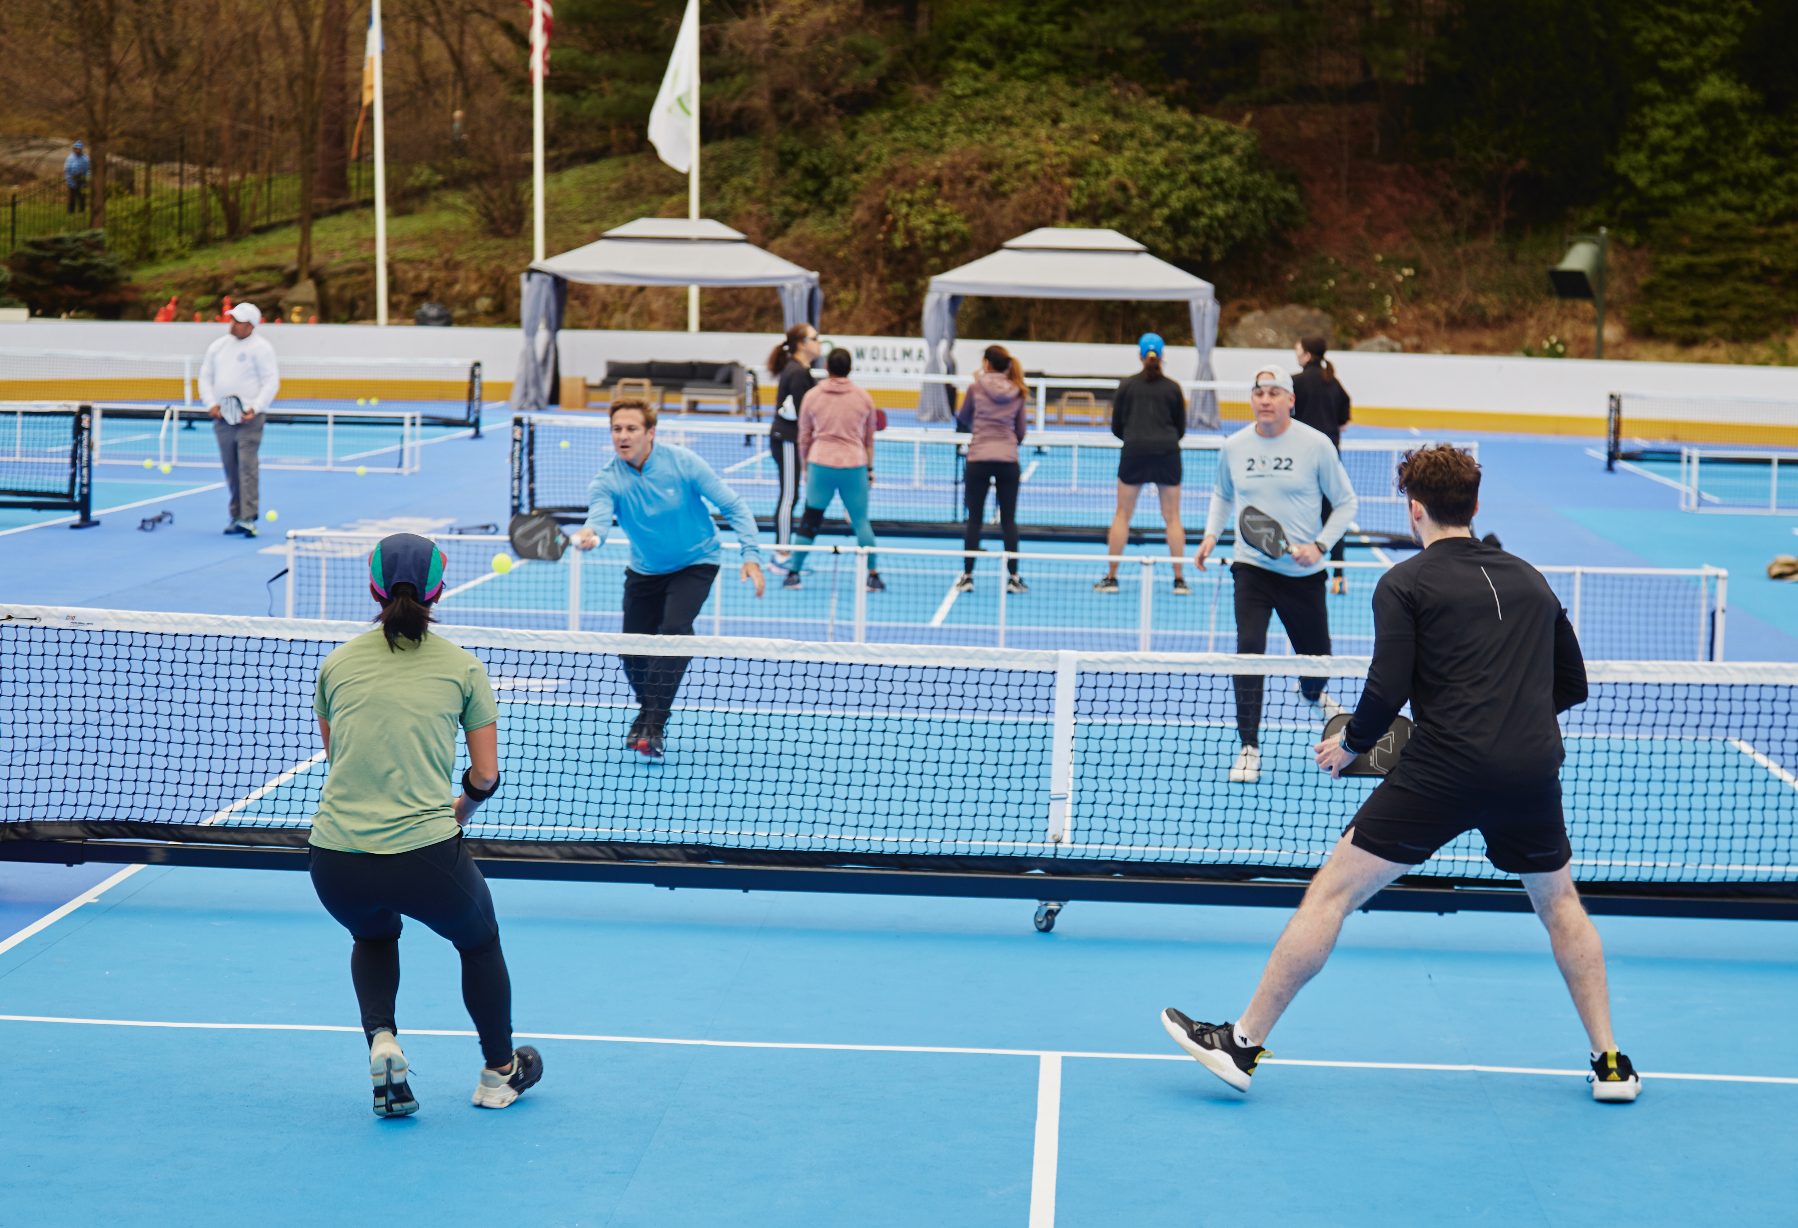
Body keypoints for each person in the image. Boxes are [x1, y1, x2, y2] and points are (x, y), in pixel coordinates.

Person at [1162, 445, 1641, 1105]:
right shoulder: (1532, 579)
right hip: (1532, 766)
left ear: (1413, 509)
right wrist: (1506, 720)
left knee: (1331, 894)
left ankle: (1241, 1046)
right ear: (1474, 505)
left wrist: (1351, 746)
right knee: (1561, 905)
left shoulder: (1405, 583)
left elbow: (1386, 689)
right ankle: (1610, 1063)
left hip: (1443, 768)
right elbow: (1572, 684)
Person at [308, 532, 543, 1116]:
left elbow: (343, 763)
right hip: (424, 858)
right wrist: (458, 810)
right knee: (480, 942)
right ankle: (499, 1072)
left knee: (373, 933)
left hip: (334, 861)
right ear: (440, 591)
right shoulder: (463, 666)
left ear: (372, 587)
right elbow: (485, 776)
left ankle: (382, 1041)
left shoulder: (336, 664)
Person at [572, 400, 766, 760]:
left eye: (631, 429)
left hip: (696, 561)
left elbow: (735, 506)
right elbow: (597, 519)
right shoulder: (606, 481)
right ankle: (649, 713)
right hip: (645, 570)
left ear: (650, 433)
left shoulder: (684, 463)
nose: (623, 436)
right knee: (632, 652)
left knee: (675, 630)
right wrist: (591, 535)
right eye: (617, 429)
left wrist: (751, 556)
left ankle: (654, 724)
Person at [1194, 364, 1357, 784]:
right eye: (1258, 392)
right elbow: (1222, 494)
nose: (1265, 399)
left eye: (1273, 392)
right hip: (1252, 567)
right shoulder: (1233, 446)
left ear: (1290, 400)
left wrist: (1319, 545)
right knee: (1249, 648)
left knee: (1317, 660)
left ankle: (1313, 692)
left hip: (1305, 574)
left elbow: (1345, 503)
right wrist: (1211, 534)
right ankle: (1248, 746)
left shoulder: (1316, 445)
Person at [1094, 333, 1190, 596]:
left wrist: (1136, 439)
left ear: (1140, 354)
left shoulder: (1126, 386)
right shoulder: (1173, 388)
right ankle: (1179, 580)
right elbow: (1180, 427)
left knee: (1122, 514)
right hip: (1167, 453)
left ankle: (1111, 578)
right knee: (1173, 517)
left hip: (1134, 452)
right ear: (1162, 355)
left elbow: (1116, 427)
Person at [786, 347, 884, 592]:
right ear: (850, 368)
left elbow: (803, 436)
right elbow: (869, 438)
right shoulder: (863, 397)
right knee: (861, 521)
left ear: (827, 367)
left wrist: (805, 466)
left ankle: (793, 573)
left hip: (821, 464)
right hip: (854, 465)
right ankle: (872, 576)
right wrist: (869, 470)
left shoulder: (812, 395)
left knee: (810, 519)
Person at [198, 301, 280, 537]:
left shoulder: (262, 348)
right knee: (231, 467)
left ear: (251, 326)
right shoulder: (218, 347)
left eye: (238, 321)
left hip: (249, 420)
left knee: (247, 467)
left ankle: (248, 517)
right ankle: (236, 514)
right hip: (222, 419)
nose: (233, 324)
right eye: (232, 319)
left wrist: (255, 408)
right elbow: (205, 377)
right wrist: (211, 405)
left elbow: (270, 381)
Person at [953, 344, 1030, 594]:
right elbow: (1021, 431)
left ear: (986, 363)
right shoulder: (1018, 391)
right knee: (1009, 520)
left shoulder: (975, 388)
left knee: (974, 519)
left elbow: (963, 418)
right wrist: (1007, 445)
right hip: (1008, 461)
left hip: (978, 459)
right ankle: (1014, 578)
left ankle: (967, 576)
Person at [1292, 335, 1354, 594]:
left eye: (1297, 350)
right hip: (1330, 458)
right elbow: (1343, 422)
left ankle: (1295, 567)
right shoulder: (1334, 384)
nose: (1295, 353)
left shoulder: (1294, 383)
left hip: (1301, 458)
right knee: (1333, 515)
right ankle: (1339, 576)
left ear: (1306, 354)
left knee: (1297, 512)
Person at [766, 323, 822, 559]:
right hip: (787, 440)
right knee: (789, 495)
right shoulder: (797, 372)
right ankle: (781, 552)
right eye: (815, 338)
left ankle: (783, 549)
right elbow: (805, 415)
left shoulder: (800, 370)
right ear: (801, 344)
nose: (819, 342)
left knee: (792, 495)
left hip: (790, 440)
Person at [64, 141, 90, 214]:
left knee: (82, 197)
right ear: (74, 149)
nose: (78, 150)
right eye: (77, 148)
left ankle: (82, 211)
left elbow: (88, 169)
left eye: (79, 148)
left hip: (82, 180)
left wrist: (87, 178)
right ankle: (71, 212)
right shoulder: (70, 158)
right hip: (73, 180)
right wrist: (68, 179)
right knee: (72, 197)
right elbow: (67, 169)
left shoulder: (85, 158)